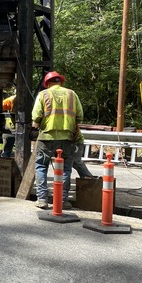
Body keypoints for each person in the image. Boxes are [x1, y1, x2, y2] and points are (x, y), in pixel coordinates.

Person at [31, 71, 83, 209]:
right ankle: (62, 200)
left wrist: (34, 129)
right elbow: (80, 116)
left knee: (41, 166)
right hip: (67, 137)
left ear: (47, 83)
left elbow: (36, 116)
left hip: (47, 137)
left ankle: (42, 200)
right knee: (66, 169)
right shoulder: (72, 94)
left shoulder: (44, 94)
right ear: (61, 82)